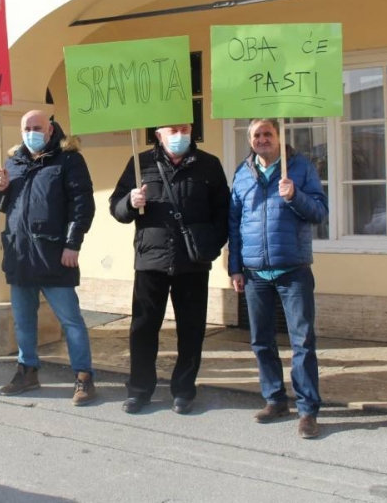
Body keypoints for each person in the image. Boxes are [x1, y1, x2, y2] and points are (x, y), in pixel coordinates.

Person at [108, 123, 230, 414]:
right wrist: (130, 201)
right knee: (143, 329)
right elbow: (116, 207)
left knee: (191, 331)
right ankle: (139, 391)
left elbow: (223, 213)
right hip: (151, 260)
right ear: (158, 135)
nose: (179, 135)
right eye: (172, 130)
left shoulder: (209, 165)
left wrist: (210, 246)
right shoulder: (140, 163)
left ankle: (184, 390)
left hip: (193, 263)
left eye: (184, 129)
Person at [228, 118, 328, 439]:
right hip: (255, 272)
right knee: (261, 341)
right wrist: (235, 268)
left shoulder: (300, 168)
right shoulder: (242, 173)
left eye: (267, 133)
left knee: (302, 342)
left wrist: (295, 195)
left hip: (293, 269)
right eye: (256, 135)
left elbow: (320, 212)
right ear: (250, 140)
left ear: (279, 137)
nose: (262, 139)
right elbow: (234, 224)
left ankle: (307, 409)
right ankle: (274, 399)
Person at [0, 111, 97, 406]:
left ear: (50, 130)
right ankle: (27, 370)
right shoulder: (13, 161)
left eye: (37, 127)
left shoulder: (68, 159)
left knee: (71, 321)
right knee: (24, 321)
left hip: (55, 254)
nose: (31, 132)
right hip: (20, 254)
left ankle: (84, 376)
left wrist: (72, 244)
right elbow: (0, 205)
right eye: (27, 128)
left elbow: (82, 205)